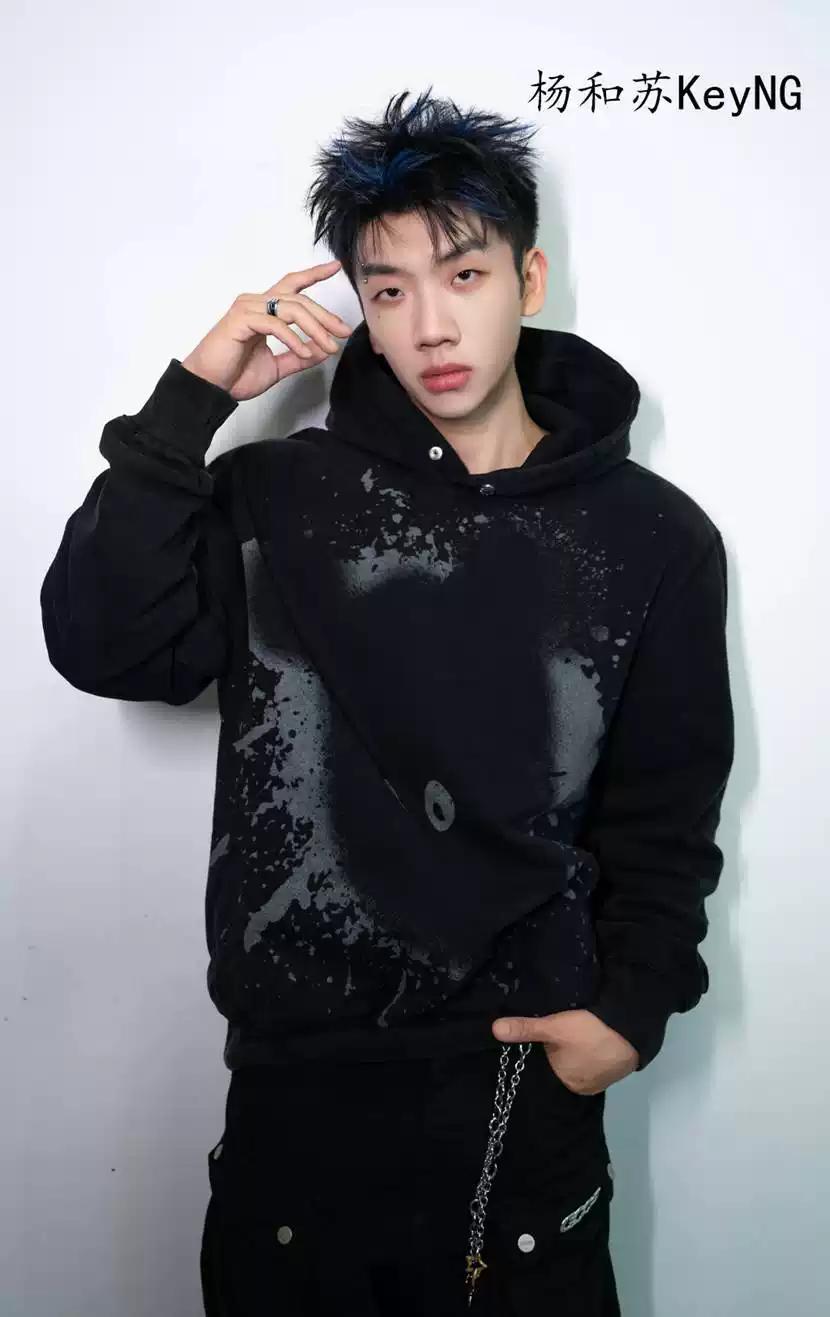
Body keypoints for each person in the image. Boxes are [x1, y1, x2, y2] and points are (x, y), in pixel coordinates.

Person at [39, 87, 735, 1315]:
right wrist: (195, 397)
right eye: (389, 289)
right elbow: (106, 645)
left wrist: (628, 1012)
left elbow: (663, 809)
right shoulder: (275, 498)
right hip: (295, 1091)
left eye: (462, 275)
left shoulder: (649, 536)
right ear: (359, 303)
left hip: (519, 1087)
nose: (430, 324)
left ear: (526, 278)